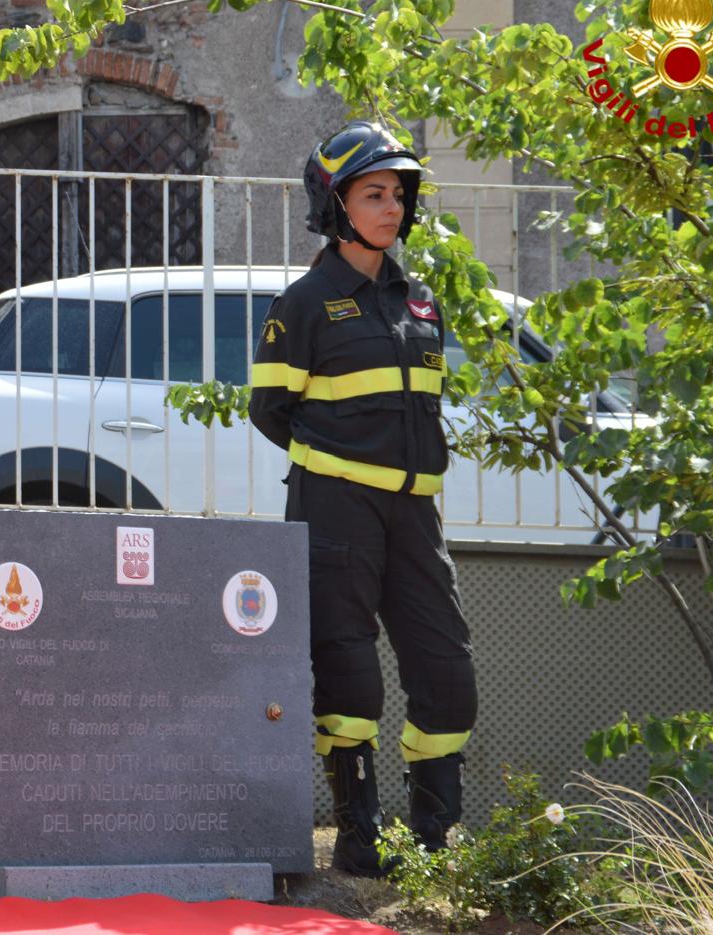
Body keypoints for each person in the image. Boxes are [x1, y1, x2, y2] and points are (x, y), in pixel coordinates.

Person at [249, 121, 475, 878]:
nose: (392, 206)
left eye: (399, 194)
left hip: (416, 514)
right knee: (350, 673)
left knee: (446, 671)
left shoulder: (422, 303)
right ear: (336, 204)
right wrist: (339, 465)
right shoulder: (304, 303)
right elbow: (271, 409)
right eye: (375, 193)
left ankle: (435, 839)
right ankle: (360, 835)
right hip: (336, 508)